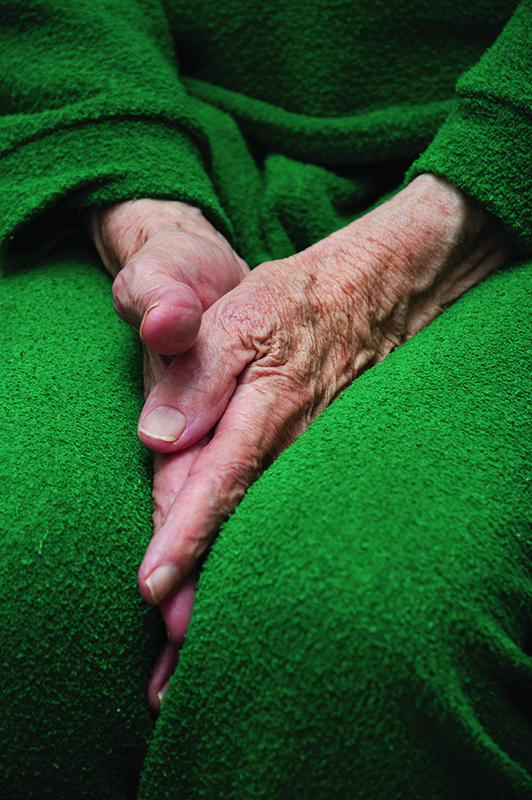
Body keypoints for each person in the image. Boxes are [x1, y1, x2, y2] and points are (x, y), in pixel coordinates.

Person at [1, 0, 532, 797]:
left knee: (352, 615)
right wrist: (144, 205)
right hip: (132, 120)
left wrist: (407, 250)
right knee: (34, 553)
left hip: (505, 179)